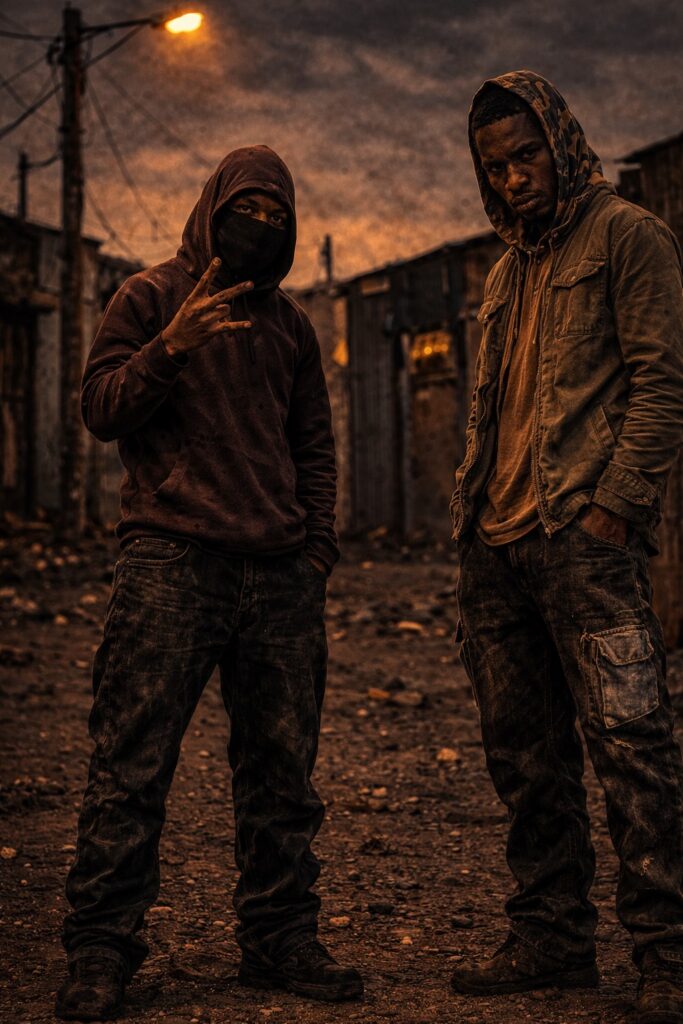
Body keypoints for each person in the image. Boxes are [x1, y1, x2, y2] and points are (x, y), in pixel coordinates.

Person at [55, 145, 363, 1021]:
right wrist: (170, 348)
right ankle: (100, 952)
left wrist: (315, 554)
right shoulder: (149, 297)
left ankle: (279, 939)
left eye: (277, 216)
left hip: (277, 578)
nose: (260, 227)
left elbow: (313, 448)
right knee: (131, 763)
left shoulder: (293, 327)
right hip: (169, 566)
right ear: (209, 208)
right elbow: (99, 408)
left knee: (282, 772)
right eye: (246, 210)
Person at [449, 71, 683, 1024]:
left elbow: (663, 385)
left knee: (631, 746)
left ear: (561, 140)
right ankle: (550, 940)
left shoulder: (628, 235)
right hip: (497, 546)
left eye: (525, 155)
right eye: (493, 166)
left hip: (582, 541)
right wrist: (470, 530)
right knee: (525, 756)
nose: (512, 179)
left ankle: (667, 955)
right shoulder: (503, 272)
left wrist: (613, 511)